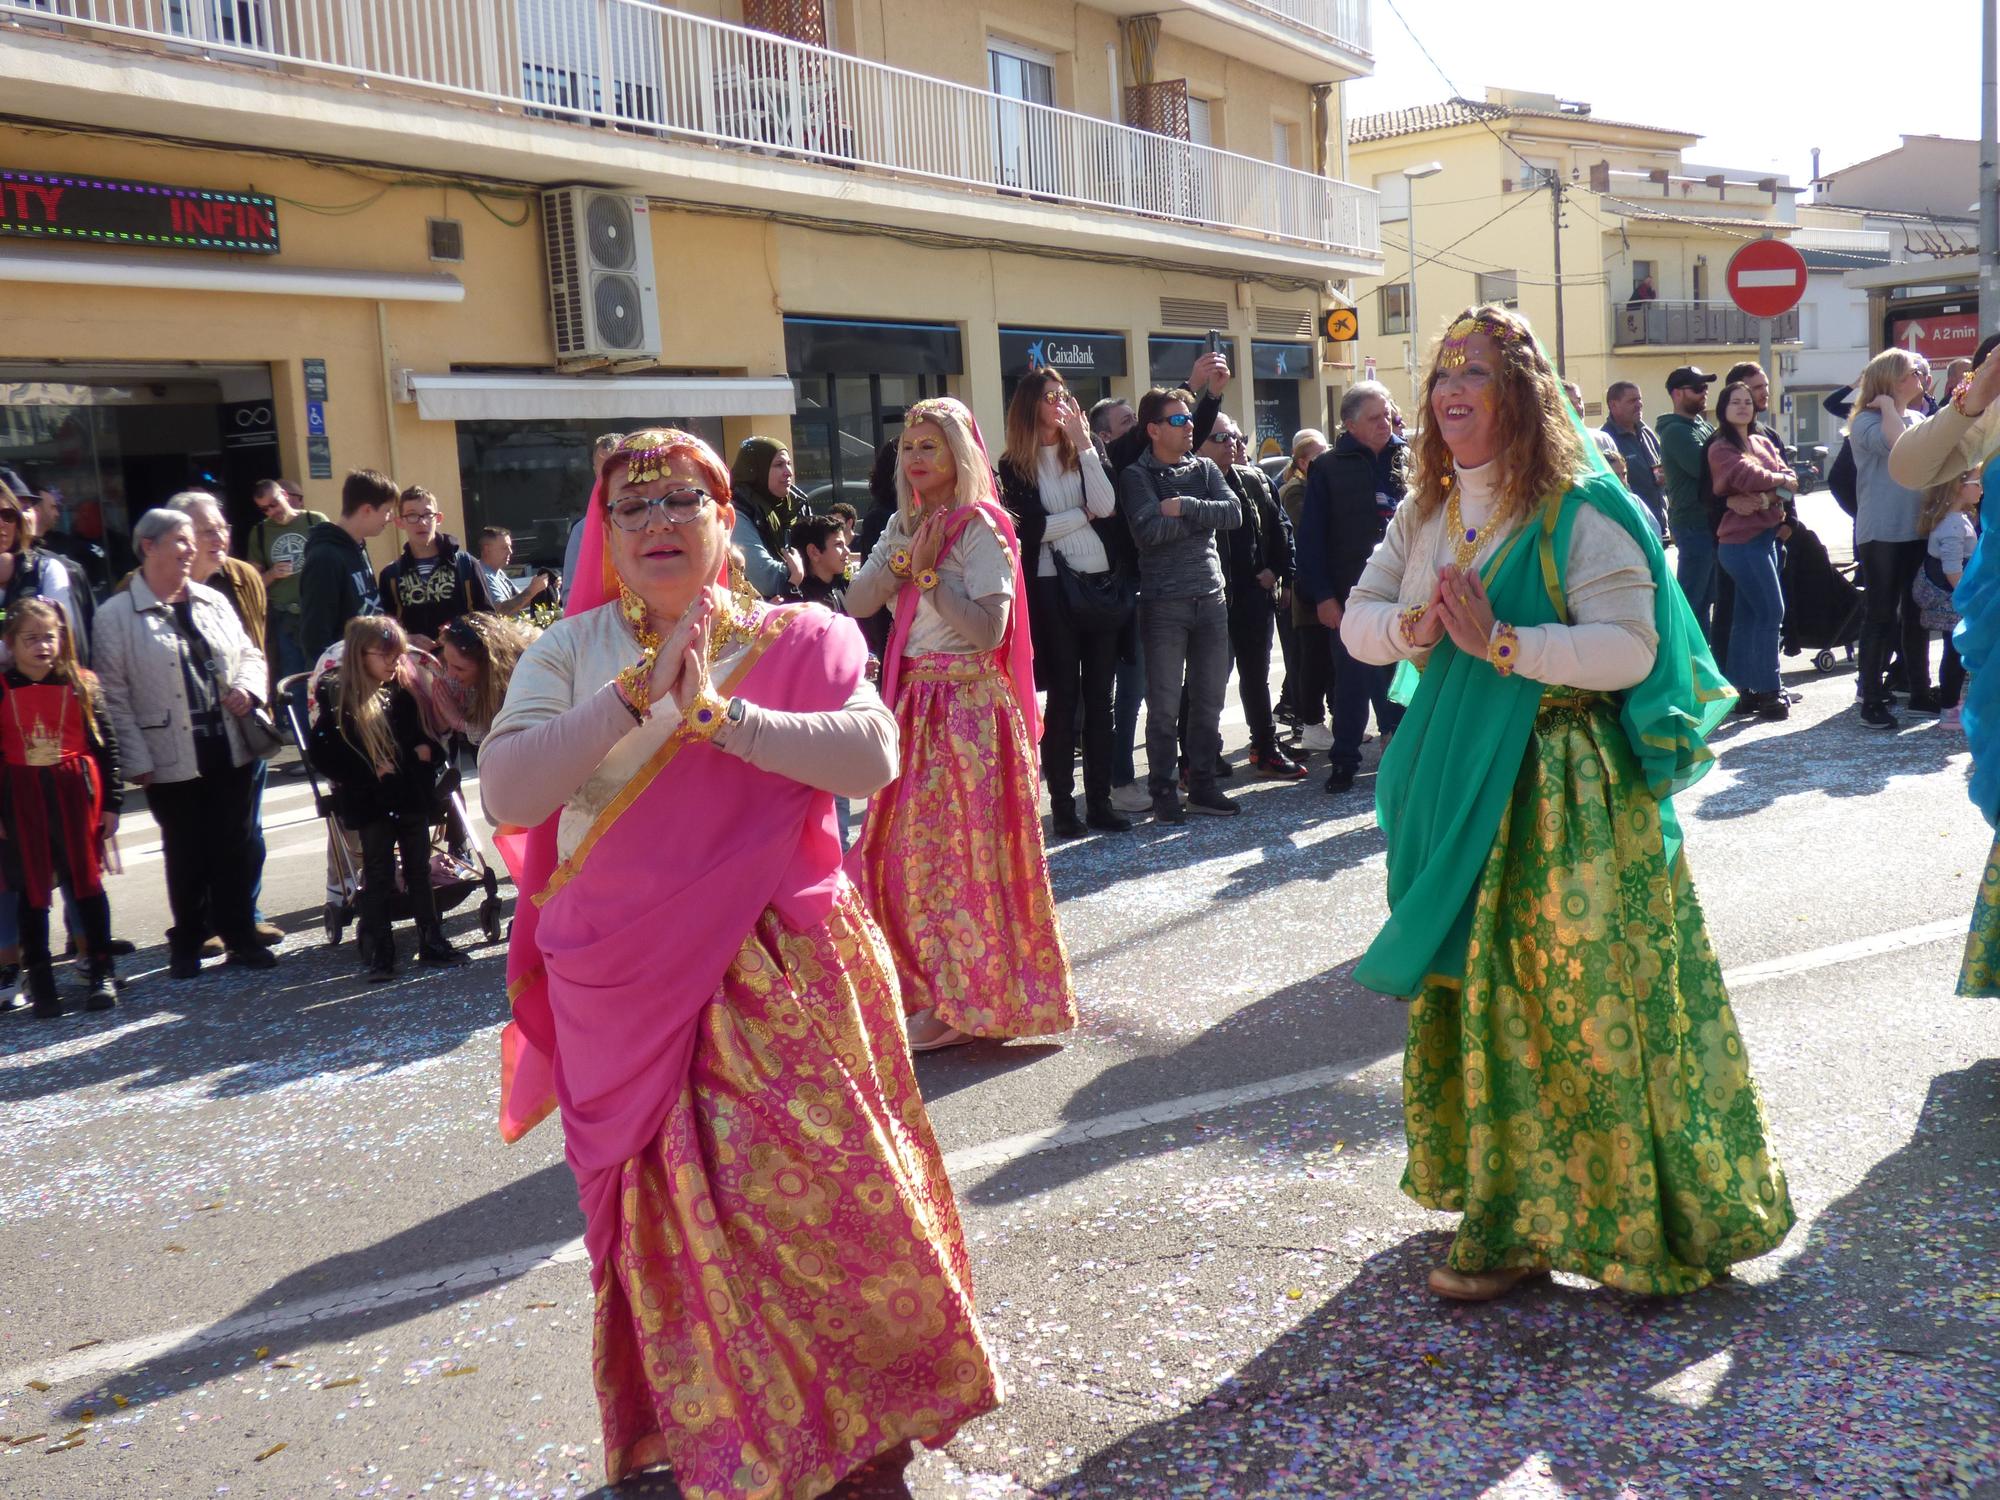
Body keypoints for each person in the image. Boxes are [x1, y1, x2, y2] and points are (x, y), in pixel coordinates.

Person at [479, 426, 999, 1492]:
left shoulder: (797, 633)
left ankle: (865, 1425)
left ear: (727, 523)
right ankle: (736, 1430)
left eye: (685, 503)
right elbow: (510, 794)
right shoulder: (567, 650)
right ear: (605, 533)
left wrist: (718, 717)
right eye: (635, 508)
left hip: (786, 970)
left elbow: (872, 753)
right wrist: (632, 699)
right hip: (627, 986)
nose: (660, 523)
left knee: (828, 1201)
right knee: (684, 1226)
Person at [1340, 304, 1793, 1300]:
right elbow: (1360, 621)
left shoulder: (1583, 509)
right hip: (1457, 787)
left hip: (1564, 790)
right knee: (1485, 1005)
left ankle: (1629, 1219)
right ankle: (1508, 1215)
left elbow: (1628, 649)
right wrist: (1411, 630)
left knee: (1586, 1008)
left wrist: (1502, 644)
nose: (1451, 392)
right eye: (1441, 377)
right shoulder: (1424, 511)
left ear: (1523, 396)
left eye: (1476, 376)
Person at [847, 395, 1077, 1050]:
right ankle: (931, 991)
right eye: (909, 447)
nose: (915, 458)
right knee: (902, 858)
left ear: (959, 454)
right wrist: (900, 561)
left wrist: (926, 579)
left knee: (963, 862)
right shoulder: (902, 522)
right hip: (915, 707)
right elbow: (859, 602)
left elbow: (988, 632)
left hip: (971, 711)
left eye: (930, 446)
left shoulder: (981, 528)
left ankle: (964, 1002)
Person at [95, 508, 277, 979]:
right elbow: (112, 696)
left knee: (233, 845)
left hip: (229, 744)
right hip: (168, 754)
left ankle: (240, 936)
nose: (190, 549)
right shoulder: (115, 614)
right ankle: (188, 941)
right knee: (186, 849)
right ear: (148, 546)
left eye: (190, 540)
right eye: (179, 540)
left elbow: (251, 654)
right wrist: (134, 758)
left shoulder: (211, 601)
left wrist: (247, 688)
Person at [996, 368, 1131, 836]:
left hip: (1099, 583)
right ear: (1030, 405)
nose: (1060, 403)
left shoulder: (1085, 452)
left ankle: (1100, 802)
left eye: (1063, 394)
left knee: (1101, 699)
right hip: (1052, 588)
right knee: (1063, 700)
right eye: (1050, 396)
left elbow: (1108, 504)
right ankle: (1063, 807)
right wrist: (1080, 515)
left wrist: (1088, 447)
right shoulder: (1014, 465)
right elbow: (1026, 530)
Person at [308, 615, 463, 978]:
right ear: (361, 655)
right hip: (372, 800)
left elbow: (419, 741)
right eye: (386, 657)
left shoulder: (398, 694)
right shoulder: (338, 698)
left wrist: (425, 754)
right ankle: (382, 949)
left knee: (419, 870)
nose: (394, 665)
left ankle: (431, 939)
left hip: (406, 795)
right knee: (376, 874)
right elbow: (325, 755)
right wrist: (368, 770)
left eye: (397, 658)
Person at [1118, 387, 1242, 822]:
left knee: (1209, 701)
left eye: (1188, 418)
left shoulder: (1205, 467)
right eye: (1177, 420)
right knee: (1165, 706)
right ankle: (1164, 789)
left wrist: (1185, 506)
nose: (1189, 425)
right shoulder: (1137, 476)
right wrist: (1198, 518)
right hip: (1164, 604)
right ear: (1152, 430)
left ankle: (1203, 784)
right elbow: (1147, 531)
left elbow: (1233, 514)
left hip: (1210, 597)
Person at [169, 491, 284, 946]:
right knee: (194, 837)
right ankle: (204, 923)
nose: (219, 537)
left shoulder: (243, 578)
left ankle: (243, 914)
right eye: (207, 530)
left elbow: (257, 645)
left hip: (243, 724)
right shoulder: (146, 587)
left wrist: (253, 692)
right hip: (187, 735)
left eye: (223, 527)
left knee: (246, 831)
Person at [0, 600, 120, 1017]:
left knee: (86, 885)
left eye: (49, 636)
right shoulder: (0, 689)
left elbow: (108, 747)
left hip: (74, 799)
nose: (42, 646)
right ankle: (43, 981)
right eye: (30, 638)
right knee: (31, 893)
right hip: (22, 801)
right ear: (10, 643)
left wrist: (112, 804)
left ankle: (101, 970)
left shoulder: (82, 684)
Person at [1300, 381, 1408, 794]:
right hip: (1348, 594)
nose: (1385, 423)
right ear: (1349, 424)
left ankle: (1400, 756)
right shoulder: (1328, 467)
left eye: (1388, 414)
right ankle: (1344, 760)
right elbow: (1310, 538)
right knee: (1350, 680)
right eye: (1374, 418)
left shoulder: (1408, 459)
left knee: (1402, 677)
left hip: (1403, 593)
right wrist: (1323, 597)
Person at [1207, 417, 1305, 780]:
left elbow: (1281, 529)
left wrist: (1279, 572)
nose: (1231, 443)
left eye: (1236, 436)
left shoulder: (1254, 478)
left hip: (1253, 596)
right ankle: (1197, 755)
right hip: (1210, 598)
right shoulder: (1193, 481)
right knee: (1208, 681)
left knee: (1255, 675)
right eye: (1220, 437)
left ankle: (1264, 746)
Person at [1850, 347, 1938, 727]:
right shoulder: (1865, 422)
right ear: (1892, 380)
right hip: (1882, 532)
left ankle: (1919, 690)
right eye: (1912, 372)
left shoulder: (1917, 416)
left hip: (1915, 528)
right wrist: (1887, 407)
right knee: (1881, 614)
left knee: (1917, 615)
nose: (1920, 377)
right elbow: (1900, 447)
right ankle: (1870, 697)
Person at [1706, 382, 1796, 721]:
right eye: (1735, 402)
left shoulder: (1762, 441)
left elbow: (1792, 481)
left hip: (1766, 539)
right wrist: (1779, 484)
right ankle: (1769, 689)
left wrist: (1768, 497)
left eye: (1748, 402)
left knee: (1748, 616)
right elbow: (1747, 475)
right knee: (1772, 611)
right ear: (1723, 408)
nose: (1743, 407)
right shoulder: (1720, 447)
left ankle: (1740, 688)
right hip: (1739, 543)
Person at [378, 486, 496, 644]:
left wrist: (457, 633)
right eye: (412, 515)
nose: (422, 522)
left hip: (462, 663)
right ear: (400, 522)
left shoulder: (465, 565)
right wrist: (406, 639)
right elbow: (384, 629)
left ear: (438, 518)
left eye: (428, 514)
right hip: (414, 664)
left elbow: (489, 619)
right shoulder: (391, 575)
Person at [300, 469, 395, 663]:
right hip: (347, 679)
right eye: (386, 510)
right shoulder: (325, 558)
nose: (390, 517)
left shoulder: (357, 546)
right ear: (367, 510)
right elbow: (315, 637)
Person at [249, 479, 328, 703]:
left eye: (274, 503)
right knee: (294, 683)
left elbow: (334, 564)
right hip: (284, 617)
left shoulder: (315, 520)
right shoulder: (260, 532)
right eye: (265, 508)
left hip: (318, 612)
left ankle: (325, 734)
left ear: (284, 494)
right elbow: (254, 584)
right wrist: (272, 573)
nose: (272, 511)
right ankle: (302, 735)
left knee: (324, 677)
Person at [1277, 428, 1331, 749]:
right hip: (1305, 586)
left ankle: (1316, 718)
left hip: (1325, 583)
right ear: (1301, 461)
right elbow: (1306, 526)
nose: (1325, 461)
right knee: (1308, 658)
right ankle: (1307, 721)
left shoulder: (1320, 486)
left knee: (1327, 660)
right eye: (1318, 456)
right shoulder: (1295, 490)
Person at [1916, 469, 1980, 727]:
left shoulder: (1956, 518)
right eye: (1977, 483)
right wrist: (1968, 598)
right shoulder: (1953, 524)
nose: (1981, 490)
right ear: (1959, 486)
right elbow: (1952, 568)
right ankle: (1949, 708)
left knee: (1953, 651)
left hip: (1951, 597)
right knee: (1954, 653)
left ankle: (1951, 702)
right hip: (1952, 599)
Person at [1657, 366, 1716, 631]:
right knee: (1693, 604)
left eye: (1705, 387)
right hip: (1693, 524)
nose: (1705, 393)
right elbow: (1708, 469)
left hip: (1708, 524)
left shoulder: (1701, 425)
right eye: (1698, 388)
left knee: (1707, 601)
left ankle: (1702, 661)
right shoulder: (1677, 432)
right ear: (1677, 394)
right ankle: (1689, 661)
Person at [435, 612, 533, 746]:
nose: (449, 675)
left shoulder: (524, 678)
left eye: (459, 669)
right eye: (447, 663)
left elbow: (513, 740)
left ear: (489, 667)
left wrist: (460, 723)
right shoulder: (456, 678)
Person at [728, 437, 807, 598]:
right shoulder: (738, 512)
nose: (789, 472)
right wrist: (807, 569)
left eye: (789, 464)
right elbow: (766, 579)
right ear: (757, 470)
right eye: (779, 465)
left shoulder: (796, 505)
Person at [1600, 381, 1668, 535]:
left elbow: (1660, 469)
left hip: (1659, 525)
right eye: (1632, 401)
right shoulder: (1606, 440)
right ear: (1613, 405)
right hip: (1631, 528)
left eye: (1639, 399)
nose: (1639, 404)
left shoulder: (1646, 433)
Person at [562, 433, 625, 593]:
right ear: (595, 471)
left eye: (613, 468)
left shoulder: (654, 520)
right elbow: (570, 593)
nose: (607, 477)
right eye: (602, 470)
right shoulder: (582, 531)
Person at [475, 526, 553, 619]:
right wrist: (532, 590)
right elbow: (501, 611)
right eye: (504, 548)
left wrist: (541, 586)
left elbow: (520, 600)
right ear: (487, 549)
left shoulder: (498, 573)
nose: (510, 552)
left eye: (510, 547)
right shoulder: (483, 575)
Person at [790, 513, 853, 614]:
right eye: (838, 544)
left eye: (844, 544)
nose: (847, 551)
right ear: (814, 552)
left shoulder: (844, 587)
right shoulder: (799, 599)